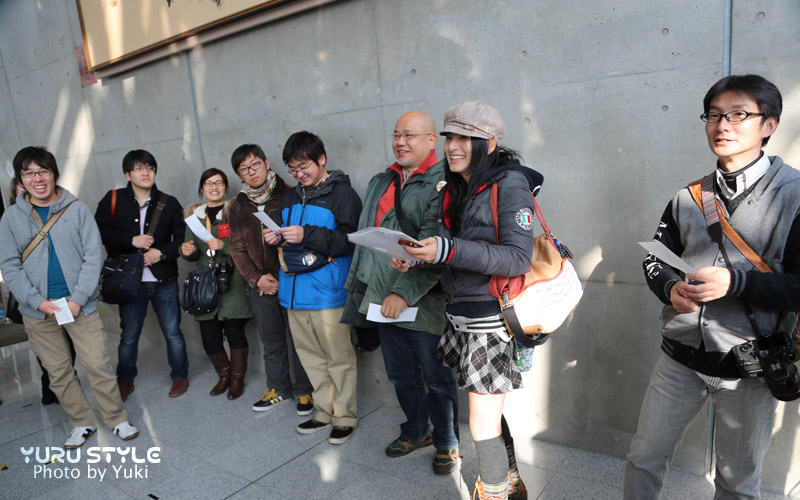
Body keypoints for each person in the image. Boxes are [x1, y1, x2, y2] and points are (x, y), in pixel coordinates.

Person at [624, 74, 799, 499]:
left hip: (751, 367)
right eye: (715, 115)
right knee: (643, 458)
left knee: (737, 483)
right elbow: (655, 258)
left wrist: (736, 282)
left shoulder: (794, 196)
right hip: (679, 357)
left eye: (738, 114)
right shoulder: (688, 197)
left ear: (769, 124)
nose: (723, 125)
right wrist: (669, 288)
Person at [402, 102, 542, 499]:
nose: (453, 146)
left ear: (490, 143)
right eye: (450, 137)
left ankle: (495, 491)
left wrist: (446, 249)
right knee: (488, 415)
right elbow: (455, 249)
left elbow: (517, 258)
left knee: (481, 425)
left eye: (465, 138)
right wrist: (421, 256)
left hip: (491, 319)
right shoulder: (460, 186)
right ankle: (511, 485)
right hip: (462, 314)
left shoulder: (510, 183)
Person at [341, 110, 461, 474]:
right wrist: (362, 289)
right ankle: (415, 430)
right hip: (381, 297)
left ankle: (447, 442)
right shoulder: (383, 180)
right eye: (396, 135)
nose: (400, 142)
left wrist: (403, 295)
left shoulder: (445, 184)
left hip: (422, 302)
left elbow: (437, 248)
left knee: (436, 378)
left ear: (431, 140)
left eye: (409, 135)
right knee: (400, 375)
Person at [0, 146, 138, 448]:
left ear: (54, 174)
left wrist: (78, 299)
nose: (37, 179)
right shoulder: (10, 218)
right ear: (21, 180)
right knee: (58, 372)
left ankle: (116, 419)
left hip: (79, 305)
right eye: (29, 173)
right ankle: (81, 422)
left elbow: (93, 257)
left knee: (98, 365)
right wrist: (37, 302)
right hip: (37, 310)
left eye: (43, 171)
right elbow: (9, 266)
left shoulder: (76, 209)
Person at [263, 131, 361, 444]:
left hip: (327, 293)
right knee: (310, 358)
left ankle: (344, 416)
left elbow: (350, 241)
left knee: (338, 358)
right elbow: (287, 237)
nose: (299, 174)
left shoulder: (343, 195)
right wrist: (276, 236)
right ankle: (323, 411)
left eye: (303, 166)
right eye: (293, 169)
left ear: (322, 159)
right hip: (293, 291)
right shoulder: (290, 197)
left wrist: (306, 234)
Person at [95, 150, 189, 400]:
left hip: (163, 280)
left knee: (173, 332)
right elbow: (99, 232)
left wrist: (162, 253)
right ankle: (125, 379)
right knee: (129, 335)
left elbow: (182, 239)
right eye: (138, 168)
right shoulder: (113, 199)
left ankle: (180, 375)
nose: (145, 172)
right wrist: (131, 240)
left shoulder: (169, 203)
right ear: (128, 174)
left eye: (150, 167)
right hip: (129, 282)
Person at [228, 144, 313, 414]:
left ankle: (304, 390)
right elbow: (237, 249)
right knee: (271, 340)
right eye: (244, 169)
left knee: (299, 339)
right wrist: (257, 279)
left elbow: (301, 239)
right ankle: (278, 388)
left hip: (291, 279)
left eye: (255, 164)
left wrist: (278, 276)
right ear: (239, 175)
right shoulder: (238, 206)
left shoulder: (290, 194)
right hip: (261, 286)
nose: (251, 172)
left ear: (266, 163)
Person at [180, 168, 253, 400]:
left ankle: (237, 379)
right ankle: (224, 375)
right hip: (205, 283)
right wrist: (186, 250)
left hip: (233, 280)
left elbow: (250, 244)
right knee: (209, 338)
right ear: (202, 189)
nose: (214, 187)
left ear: (226, 187)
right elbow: (191, 252)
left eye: (219, 182)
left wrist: (225, 246)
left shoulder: (236, 213)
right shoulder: (194, 219)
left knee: (235, 333)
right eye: (208, 183)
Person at [8, 178, 76, 405]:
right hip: (33, 298)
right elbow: (10, 264)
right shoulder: (10, 221)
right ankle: (51, 384)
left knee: (69, 341)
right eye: (22, 189)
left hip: (64, 295)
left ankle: (68, 380)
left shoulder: (60, 213)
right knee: (45, 348)